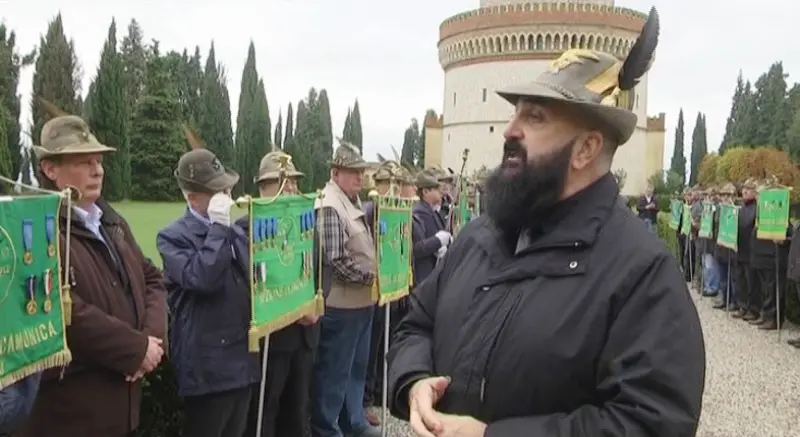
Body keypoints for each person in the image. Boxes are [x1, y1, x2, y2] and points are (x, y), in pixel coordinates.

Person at [387, 9, 706, 437]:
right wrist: (413, 381)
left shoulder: (641, 274)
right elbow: (416, 324)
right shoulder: (480, 237)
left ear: (586, 149)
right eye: (516, 113)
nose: (509, 131)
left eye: (535, 118)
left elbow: (649, 423)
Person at [21, 107, 168, 437]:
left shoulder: (111, 221)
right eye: (83, 162)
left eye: (99, 161)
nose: (97, 170)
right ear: (49, 169)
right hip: (70, 416)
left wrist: (151, 340)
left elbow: (152, 278)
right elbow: (56, 306)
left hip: (122, 410)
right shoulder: (36, 229)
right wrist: (134, 349)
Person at [157, 134, 259, 437]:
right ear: (193, 198)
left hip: (241, 358)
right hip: (208, 366)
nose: (227, 195)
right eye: (218, 191)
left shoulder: (234, 231)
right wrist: (217, 228)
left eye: (227, 187)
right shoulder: (173, 237)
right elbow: (202, 278)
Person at [241, 151, 320, 437]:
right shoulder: (247, 228)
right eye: (283, 182)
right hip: (273, 342)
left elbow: (321, 270)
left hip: (305, 336)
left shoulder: (305, 223)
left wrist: (314, 306)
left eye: (294, 183)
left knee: (298, 412)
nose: (292, 189)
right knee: (265, 413)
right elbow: (248, 285)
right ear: (264, 188)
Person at [311, 140, 381, 437]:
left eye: (361, 172)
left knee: (355, 369)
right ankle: (327, 429)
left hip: (360, 305)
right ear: (335, 173)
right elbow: (335, 259)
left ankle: (353, 423)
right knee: (334, 374)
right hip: (341, 307)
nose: (360, 178)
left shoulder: (349, 200)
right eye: (353, 172)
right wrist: (370, 278)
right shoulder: (329, 204)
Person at [411, 169, 451, 284]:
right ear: (425, 192)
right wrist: (438, 241)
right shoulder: (420, 212)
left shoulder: (432, 211)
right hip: (424, 276)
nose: (440, 191)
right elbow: (418, 248)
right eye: (435, 188)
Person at [732, 179, 760, 322]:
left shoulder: (757, 208)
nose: (744, 191)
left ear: (755, 192)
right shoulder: (741, 209)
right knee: (741, 280)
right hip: (740, 249)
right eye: (743, 189)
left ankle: (753, 309)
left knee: (752, 282)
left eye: (748, 189)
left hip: (751, 250)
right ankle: (742, 306)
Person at [713, 183, 739, 311]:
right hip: (720, 248)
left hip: (731, 250)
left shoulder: (736, 210)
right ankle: (725, 299)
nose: (725, 198)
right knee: (722, 277)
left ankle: (734, 301)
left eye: (727, 195)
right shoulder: (718, 210)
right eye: (723, 195)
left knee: (733, 278)